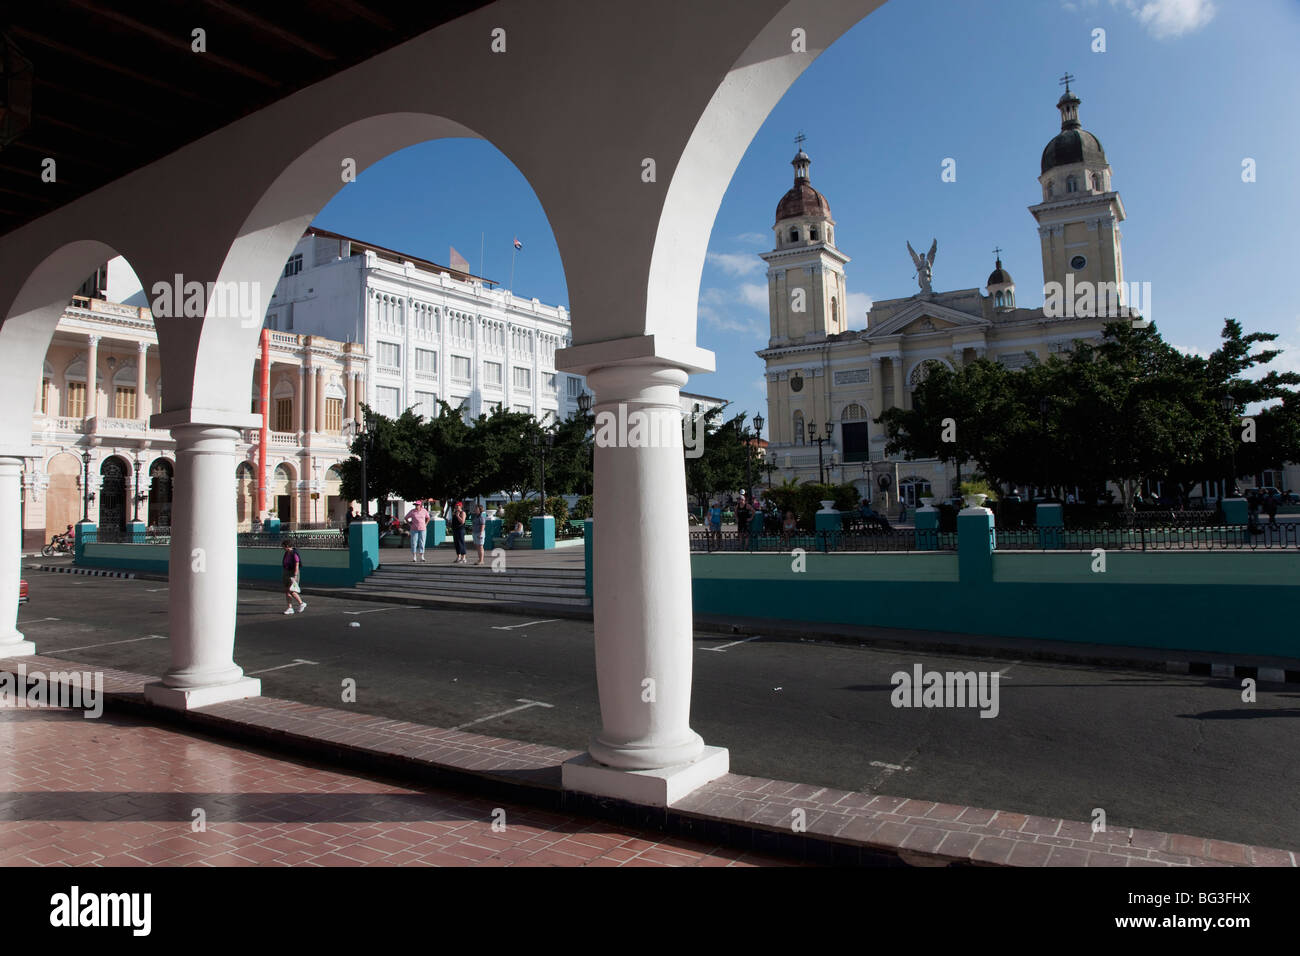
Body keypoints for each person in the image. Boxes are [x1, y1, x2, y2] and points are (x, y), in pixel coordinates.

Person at [281, 539, 307, 615]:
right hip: (286, 572)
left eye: (283, 546)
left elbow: (297, 565)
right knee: (287, 591)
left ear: (287, 546)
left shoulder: (294, 554)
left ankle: (301, 603)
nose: (283, 548)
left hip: (293, 573)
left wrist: (295, 576)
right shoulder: (286, 553)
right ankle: (290, 608)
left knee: (291, 590)